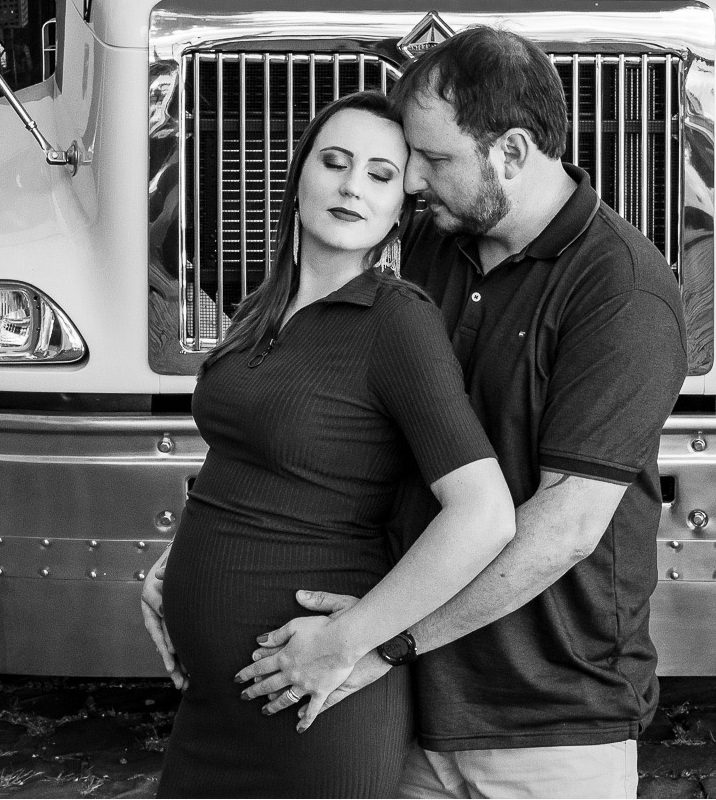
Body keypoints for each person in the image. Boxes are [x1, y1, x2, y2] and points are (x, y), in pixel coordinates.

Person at [240, 28, 688, 800]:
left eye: (434, 159)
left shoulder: (622, 290)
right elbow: (326, 415)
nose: (411, 180)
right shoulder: (425, 244)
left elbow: (566, 528)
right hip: (403, 713)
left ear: (511, 152)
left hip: (552, 725)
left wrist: (376, 642)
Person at [143, 89, 515, 799]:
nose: (352, 186)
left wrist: (350, 641)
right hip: (212, 702)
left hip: (313, 705)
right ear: (298, 179)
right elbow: (253, 457)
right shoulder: (263, 307)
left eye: (380, 174)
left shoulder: (396, 321)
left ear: (400, 208)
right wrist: (174, 564)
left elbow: (484, 514)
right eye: (335, 163)